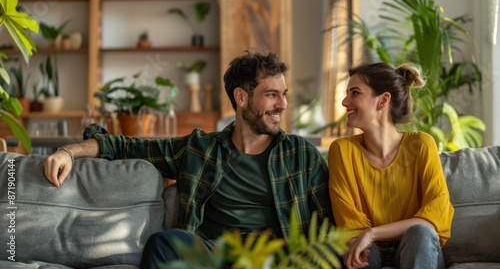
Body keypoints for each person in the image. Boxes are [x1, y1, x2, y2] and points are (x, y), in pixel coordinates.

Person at [44, 50, 333, 268]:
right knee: (164, 243)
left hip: (274, 259)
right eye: (272, 95)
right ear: (241, 98)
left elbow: (329, 225)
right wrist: (69, 151)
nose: (282, 104)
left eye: (283, 95)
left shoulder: (300, 154)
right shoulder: (199, 148)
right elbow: (122, 146)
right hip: (210, 256)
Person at [328, 62, 454, 269]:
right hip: (368, 250)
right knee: (358, 246)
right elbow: (349, 224)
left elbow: (434, 219)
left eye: (355, 93)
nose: (344, 101)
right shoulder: (342, 151)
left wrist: (373, 232)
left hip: (416, 248)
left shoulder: (422, 145)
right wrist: (364, 238)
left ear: (383, 100)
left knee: (420, 233)